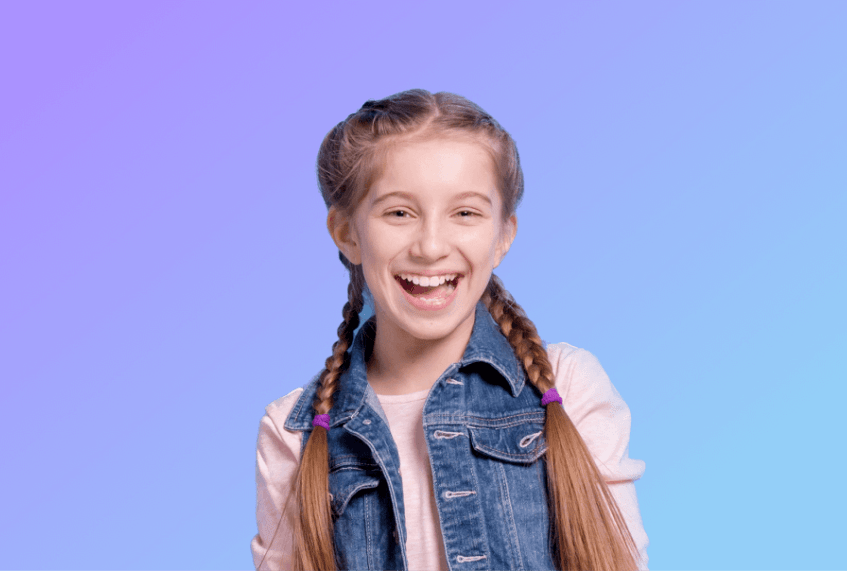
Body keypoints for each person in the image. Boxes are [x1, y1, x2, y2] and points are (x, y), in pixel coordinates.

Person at [251, 89, 649, 570]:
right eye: (399, 212)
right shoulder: (294, 432)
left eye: (465, 213)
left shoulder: (568, 386)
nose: (431, 246)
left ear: (502, 236)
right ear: (347, 233)